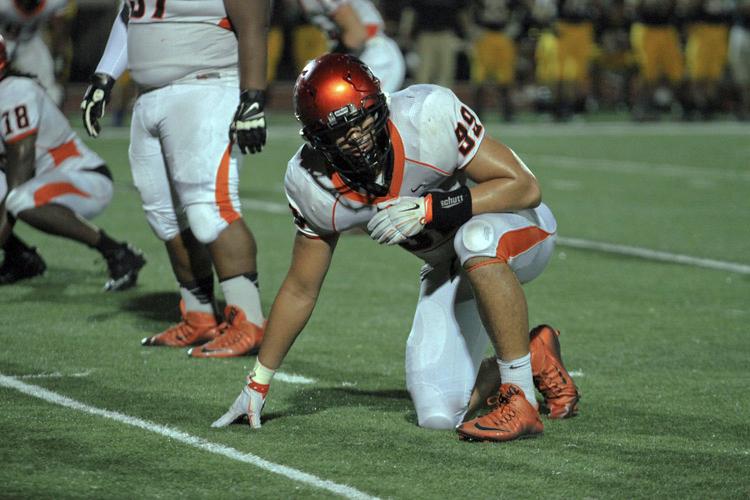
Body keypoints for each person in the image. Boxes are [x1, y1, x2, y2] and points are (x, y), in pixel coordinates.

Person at [213, 54, 580, 442]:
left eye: (362, 119)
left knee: (476, 239)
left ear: (381, 105)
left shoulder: (427, 115)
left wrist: (430, 208)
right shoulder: (312, 183)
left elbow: (524, 188)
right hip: (449, 267)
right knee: (439, 413)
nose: (357, 136)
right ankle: (530, 352)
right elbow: (301, 288)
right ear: (319, 140)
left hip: (519, 231)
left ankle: (519, 397)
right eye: (340, 131)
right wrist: (258, 383)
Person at [81, 0, 269, 357]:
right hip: (149, 96)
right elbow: (130, 14)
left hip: (207, 87)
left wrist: (253, 98)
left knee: (210, 210)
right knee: (165, 216)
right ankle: (199, 316)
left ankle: (249, 322)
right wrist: (104, 77)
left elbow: (254, 24)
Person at [0, 36, 145, 289]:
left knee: (18, 199)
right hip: (41, 180)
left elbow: (19, 176)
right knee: (16, 197)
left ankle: (118, 252)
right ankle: (20, 257)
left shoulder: (13, 93)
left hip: (83, 178)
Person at [298, 0, 405, 93]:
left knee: (363, 110)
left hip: (373, 55)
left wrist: (327, 63)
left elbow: (357, 35)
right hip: (357, 55)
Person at [0, 0, 72, 105]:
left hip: (30, 43)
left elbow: (59, 29)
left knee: (52, 93)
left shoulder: (53, 3)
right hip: (3, 41)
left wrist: (59, 56)